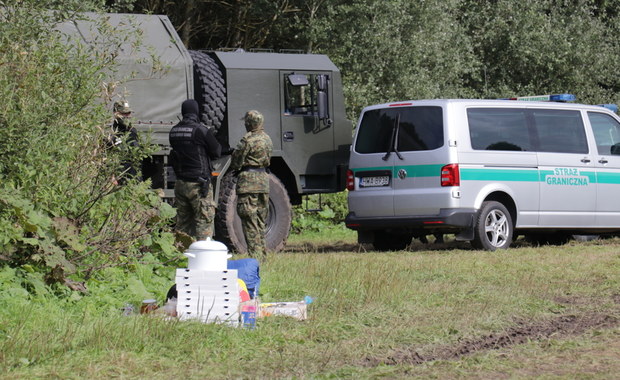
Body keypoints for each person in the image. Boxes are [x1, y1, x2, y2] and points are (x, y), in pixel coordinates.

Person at [169, 99, 222, 240]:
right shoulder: (201, 130)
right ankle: (202, 257)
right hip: (199, 185)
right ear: (196, 112)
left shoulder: (173, 132)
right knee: (204, 223)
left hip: (180, 184)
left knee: (182, 224)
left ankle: (181, 258)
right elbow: (216, 151)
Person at [230, 110, 273, 259]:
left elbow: (236, 162)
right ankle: (262, 254)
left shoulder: (247, 140)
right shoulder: (267, 139)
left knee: (249, 220)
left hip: (248, 183)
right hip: (263, 181)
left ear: (249, 123)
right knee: (261, 220)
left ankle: (255, 256)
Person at [110, 100, 140, 183]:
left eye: (128, 113)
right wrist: (111, 178)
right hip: (118, 179)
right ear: (116, 113)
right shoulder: (111, 133)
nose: (127, 116)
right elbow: (105, 157)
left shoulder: (132, 131)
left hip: (133, 178)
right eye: (123, 113)